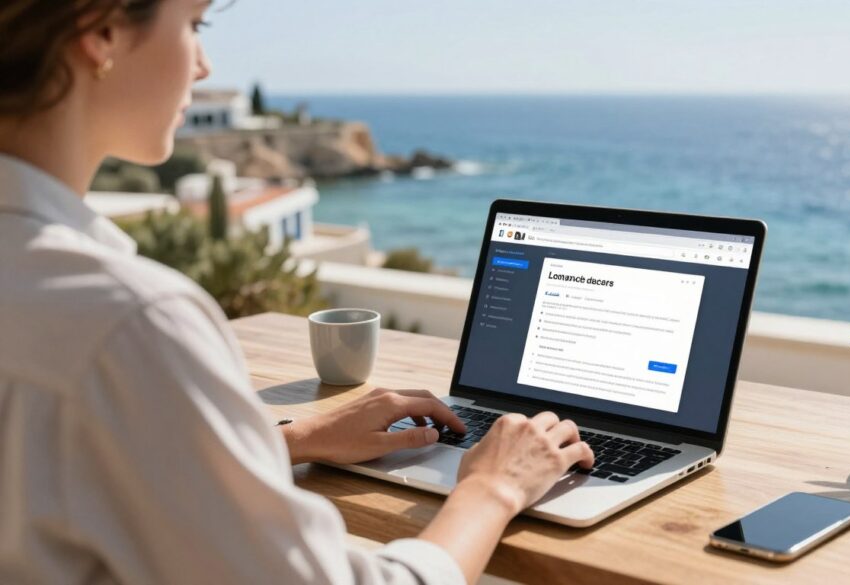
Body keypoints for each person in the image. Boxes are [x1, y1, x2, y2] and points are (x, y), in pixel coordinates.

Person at [0, 1, 595, 583]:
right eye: (194, 24)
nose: (204, 66)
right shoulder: (126, 323)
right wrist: (495, 487)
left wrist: (293, 439)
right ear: (98, 29)